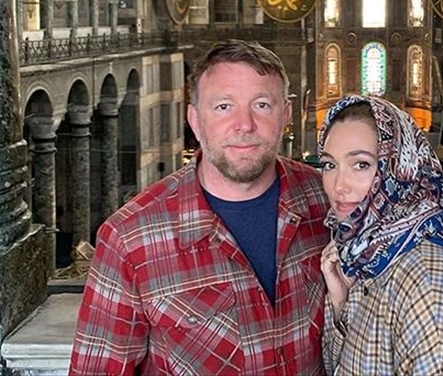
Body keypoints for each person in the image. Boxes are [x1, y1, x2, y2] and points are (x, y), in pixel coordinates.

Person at [70, 40, 330, 375]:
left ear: (286, 115)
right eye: (223, 106)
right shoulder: (130, 239)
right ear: (195, 119)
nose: (244, 124)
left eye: (262, 105)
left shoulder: (325, 200)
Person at [318, 95, 443, 375]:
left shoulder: (429, 278)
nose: (338, 186)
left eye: (361, 164)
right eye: (329, 165)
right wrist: (341, 301)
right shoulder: (369, 252)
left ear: (400, 167)